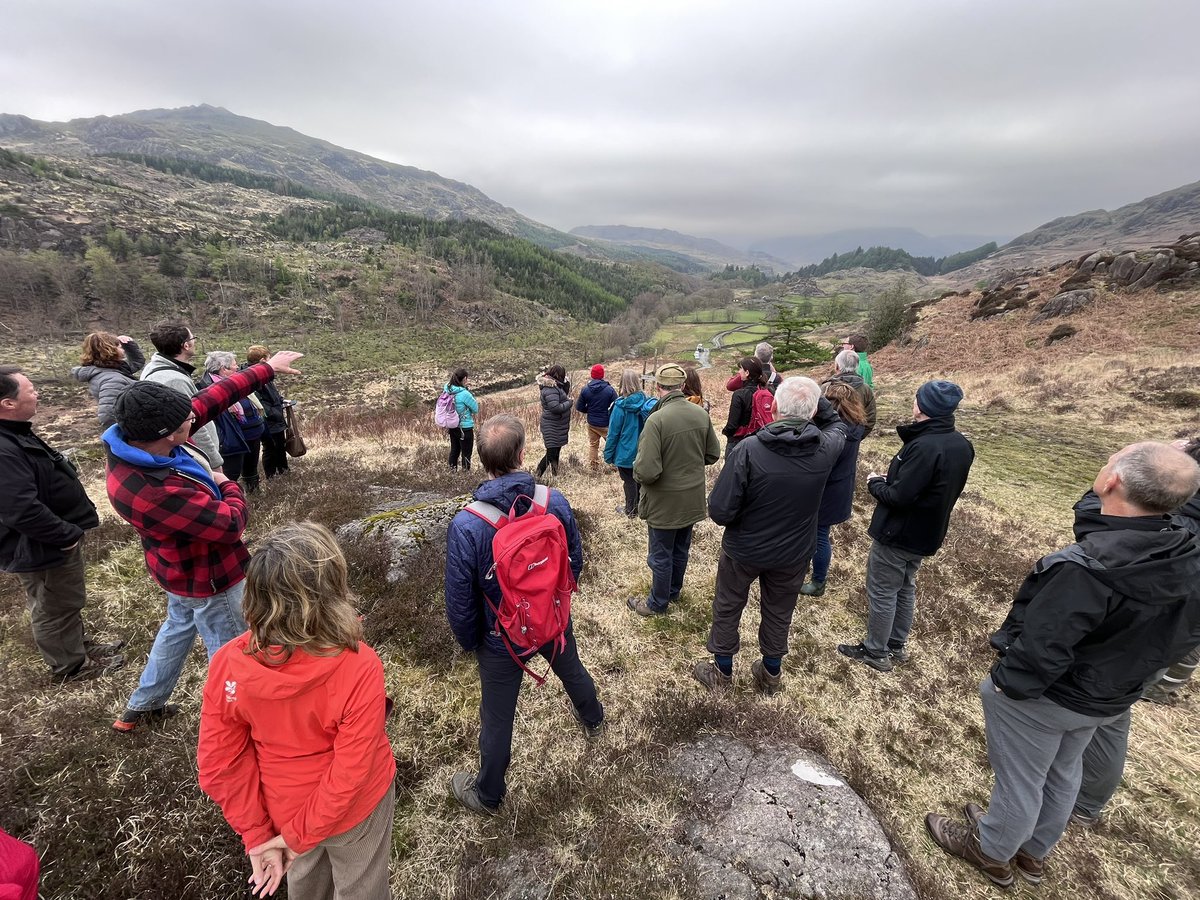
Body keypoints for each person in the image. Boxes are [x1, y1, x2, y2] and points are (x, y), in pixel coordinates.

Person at [925, 442, 1200, 889]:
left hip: (1051, 696)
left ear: (1113, 481)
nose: (1104, 463)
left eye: (1111, 460)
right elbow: (1184, 636)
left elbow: (1042, 649)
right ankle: (1033, 851)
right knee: (1063, 770)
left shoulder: (1085, 570)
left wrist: (1004, 687)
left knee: (1021, 778)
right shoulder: (1186, 553)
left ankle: (991, 850)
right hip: (1111, 693)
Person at [103, 349, 303, 732]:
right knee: (233, 653)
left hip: (178, 572)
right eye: (186, 424)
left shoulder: (144, 440)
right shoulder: (150, 490)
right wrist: (226, 482)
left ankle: (144, 706)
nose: (193, 423)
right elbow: (230, 524)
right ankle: (239, 723)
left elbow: (210, 400)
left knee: (176, 628)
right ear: (164, 434)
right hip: (210, 577)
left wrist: (264, 370)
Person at [198, 522, 396, 900]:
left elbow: (218, 764)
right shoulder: (359, 665)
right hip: (355, 813)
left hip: (284, 810)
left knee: (305, 886)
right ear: (330, 591)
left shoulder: (227, 664)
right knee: (362, 887)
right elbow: (352, 771)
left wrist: (265, 836)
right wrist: (293, 839)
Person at [444, 415, 603, 814]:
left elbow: (460, 598)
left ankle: (488, 795)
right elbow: (574, 561)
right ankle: (594, 719)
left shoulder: (467, 524)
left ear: (482, 460)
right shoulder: (554, 500)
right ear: (522, 453)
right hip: (552, 619)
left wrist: (471, 642)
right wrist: (555, 603)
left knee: (497, 716)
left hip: (502, 636)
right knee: (573, 670)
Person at [696, 377, 846, 694]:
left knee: (728, 605)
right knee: (779, 611)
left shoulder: (749, 450)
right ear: (816, 410)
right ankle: (770, 675)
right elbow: (838, 427)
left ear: (774, 407)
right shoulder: (826, 448)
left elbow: (720, 511)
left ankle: (721, 674)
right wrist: (820, 407)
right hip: (794, 552)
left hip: (745, 548)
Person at [838, 380, 974, 671]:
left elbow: (899, 497)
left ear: (924, 407)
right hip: (928, 531)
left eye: (917, 398)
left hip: (898, 532)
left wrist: (875, 482)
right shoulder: (961, 445)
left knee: (884, 590)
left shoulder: (924, 446)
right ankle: (897, 645)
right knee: (905, 587)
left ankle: (876, 651)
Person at [0, 366, 124, 683]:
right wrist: (65, 535)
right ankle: (69, 666)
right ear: (8, 403)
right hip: (42, 543)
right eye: (30, 390)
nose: (37, 393)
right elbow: (20, 509)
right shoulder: (3, 448)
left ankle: (78, 647)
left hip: (49, 539)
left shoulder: (13, 433)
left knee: (62, 599)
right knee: (53, 604)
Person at [627, 363, 721, 617]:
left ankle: (658, 603)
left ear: (658, 386)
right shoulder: (700, 413)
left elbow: (646, 471)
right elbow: (713, 453)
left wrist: (637, 472)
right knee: (681, 548)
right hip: (691, 498)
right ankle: (673, 592)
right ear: (681, 385)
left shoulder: (656, 420)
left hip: (664, 501)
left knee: (660, 554)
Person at [801, 382, 869, 597]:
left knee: (819, 535)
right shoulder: (855, 424)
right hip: (839, 488)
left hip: (826, 490)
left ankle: (818, 582)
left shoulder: (835, 431)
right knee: (817, 533)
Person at [141, 321, 223, 470]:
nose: (194, 342)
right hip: (195, 458)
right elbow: (194, 426)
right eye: (193, 338)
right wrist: (213, 462)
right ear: (186, 345)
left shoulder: (155, 367)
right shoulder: (173, 380)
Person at [200, 351, 256, 490]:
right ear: (224, 369)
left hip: (243, 436)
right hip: (227, 443)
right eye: (234, 365)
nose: (237, 368)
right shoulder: (207, 388)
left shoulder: (232, 383)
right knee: (229, 477)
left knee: (243, 470)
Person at [70, 332, 145, 431]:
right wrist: (120, 441)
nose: (122, 349)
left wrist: (129, 346)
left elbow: (136, 363)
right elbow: (108, 416)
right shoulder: (112, 380)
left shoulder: (107, 369)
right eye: (119, 346)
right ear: (110, 350)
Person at [604, 369, 649, 518]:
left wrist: (608, 455)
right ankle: (642, 509)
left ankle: (630, 510)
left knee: (628, 481)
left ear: (622, 383)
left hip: (625, 452)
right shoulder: (647, 403)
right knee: (641, 482)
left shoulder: (620, 406)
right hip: (644, 450)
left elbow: (613, 433)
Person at [246, 345, 290, 480]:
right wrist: (275, 413)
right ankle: (271, 476)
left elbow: (271, 394)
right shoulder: (253, 377)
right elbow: (260, 402)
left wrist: (282, 401)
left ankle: (283, 471)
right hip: (268, 420)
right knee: (270, 448)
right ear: (263, 360)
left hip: (275, 418)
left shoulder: (263, 374)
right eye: (269, 357)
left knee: (280, 445)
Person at [821, 349, 876, 437]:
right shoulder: (866, 389)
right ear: (857, 366)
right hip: (853, 439)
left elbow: (817, 416)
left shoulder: (826, 387)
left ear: (837, 367)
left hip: (829, 439)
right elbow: (870, 418)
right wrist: (857, 437)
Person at [575, 364, 617, 471]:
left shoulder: (585, 390)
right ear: (602, 375)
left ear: (592, 375)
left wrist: (589, 411)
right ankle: (614, 465)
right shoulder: (610, 390)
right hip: (606, 423)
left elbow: (579, 407)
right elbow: (616, 407)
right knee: (612, 443)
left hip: (592, 423)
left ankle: (593, 467)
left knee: (593, 445)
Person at [721, 357, 765, 454]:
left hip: (739, 441)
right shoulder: (767, 391)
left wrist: (725, 432)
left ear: (747, 373)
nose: (739, 371)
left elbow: (732, 425)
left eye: (741, 369)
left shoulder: (739, 394)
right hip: (761, 439)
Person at [535, 365, 572, 478]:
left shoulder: (554, 386)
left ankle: (555, 474)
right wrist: (570, 403)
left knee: (556, 451)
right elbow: (555, 407)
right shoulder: (550, 389)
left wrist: (565, 385)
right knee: (551, 453)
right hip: (551, 426)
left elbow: (561, 396)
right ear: (558, 375)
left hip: (556, 424)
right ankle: (537, 476)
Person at [444, 367, 479, 471]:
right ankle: (465, 476)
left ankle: (451, 473)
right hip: (465, 427)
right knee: (466, 453)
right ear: (464, 379)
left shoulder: (447, 390)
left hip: (452, 426)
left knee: (454, 451)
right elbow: (476, 409)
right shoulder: (464, 394)